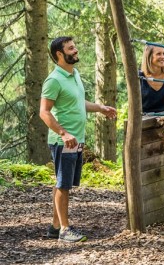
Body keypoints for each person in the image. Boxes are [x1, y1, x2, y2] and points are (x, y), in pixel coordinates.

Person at [39, 36, 117, 243]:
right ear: (59, 54)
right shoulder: (54, 80)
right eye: (71, 48)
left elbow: (78, 102)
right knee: (63, 185)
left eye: (75, 46)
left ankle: (55, 227)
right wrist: (64, 134)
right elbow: (44, 112)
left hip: (76, 140)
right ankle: (65, 230)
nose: (75, 51)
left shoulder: (74, 75)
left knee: (63, 183)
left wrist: (100, 108)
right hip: (62, 141)